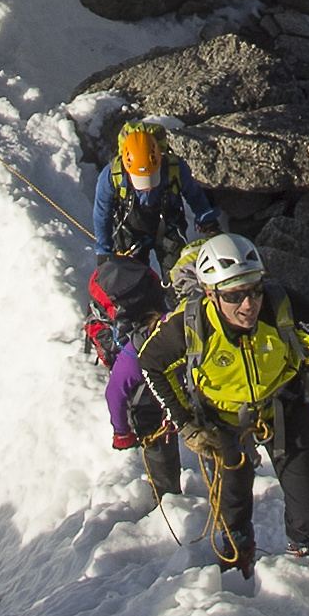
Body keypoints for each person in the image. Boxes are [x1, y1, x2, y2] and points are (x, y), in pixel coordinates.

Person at [139, 232, 309, 585]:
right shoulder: (189, 327)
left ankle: (305, 551)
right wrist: (187, 425)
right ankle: (236, 555)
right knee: (232, 501)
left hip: (283, 405)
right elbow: (151, 365)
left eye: (254, 290)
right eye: (234, 296)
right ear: (211, 295)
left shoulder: (283, 309)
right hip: (221, 418)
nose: (248, 304)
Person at [83, 119, 214, 505]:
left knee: (174, 273)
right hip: (131, 233)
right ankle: (148, 314)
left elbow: (192, 194)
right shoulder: (113, 178)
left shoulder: (172, 168)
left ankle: (177, 312)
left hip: (165, 225)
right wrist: (105, 254)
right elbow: (102, 213)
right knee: (133, 279)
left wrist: (205, 218)